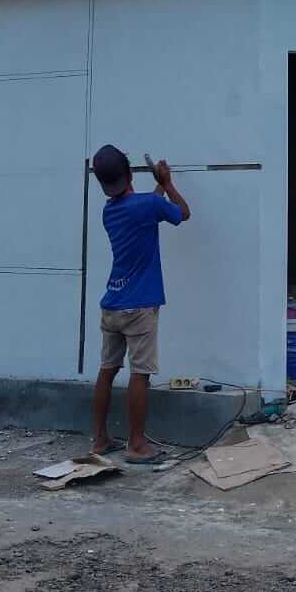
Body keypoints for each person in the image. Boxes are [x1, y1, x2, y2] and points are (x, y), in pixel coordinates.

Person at [90, 144, 190, 464]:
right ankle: (136, 444)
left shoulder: (109, 211)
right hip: (140, 306)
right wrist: (167, 183)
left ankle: (100, 439)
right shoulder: (148, 204)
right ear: (130, 174)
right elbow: (182, 213)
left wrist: (158, 187)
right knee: (140, 374)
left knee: (107, 370)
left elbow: (148, 208)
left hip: (113, 303)